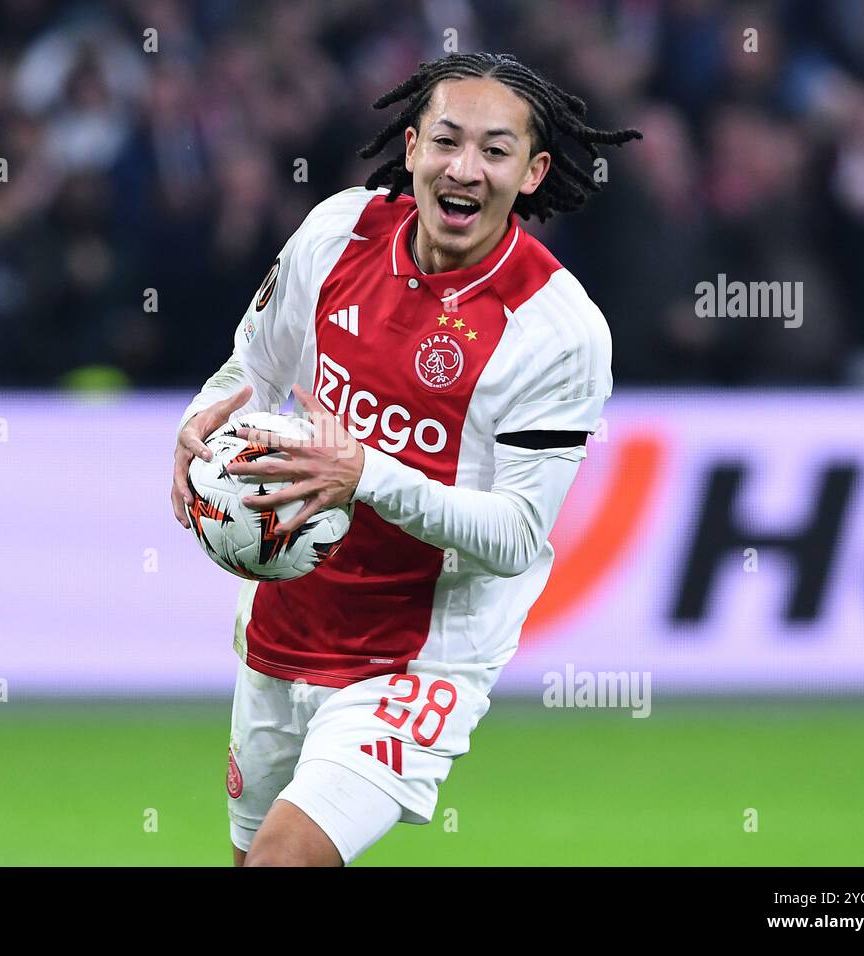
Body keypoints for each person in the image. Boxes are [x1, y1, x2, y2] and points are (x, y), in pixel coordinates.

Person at [170, 52, 641, 866]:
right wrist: (201, 421)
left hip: (419, 659)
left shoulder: (557, 330)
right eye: (448, 143)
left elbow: (519, 535)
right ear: (414, 146)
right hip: (289, 617)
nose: (466, 169)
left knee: (285, 861)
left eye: (495, 152)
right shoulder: (340, 230)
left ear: (533, 174)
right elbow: (254, 366)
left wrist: (369, 474)